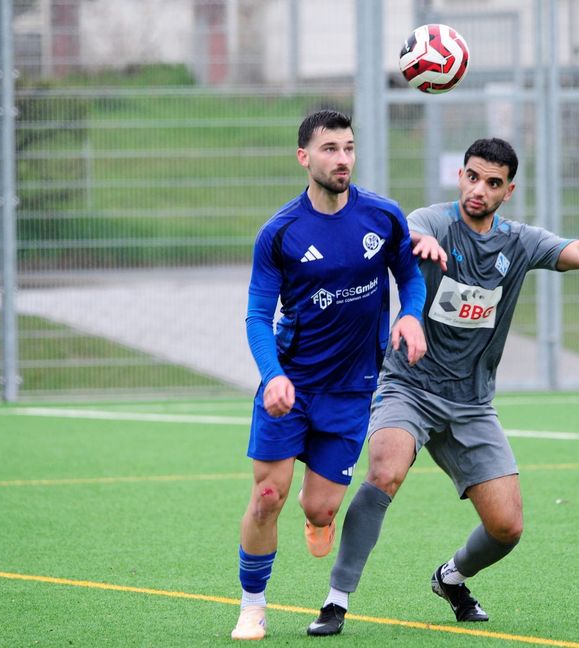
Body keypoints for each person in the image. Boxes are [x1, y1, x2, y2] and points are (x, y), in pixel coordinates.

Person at [306, 137, 579, 636]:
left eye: (493, 183)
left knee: (507, 528)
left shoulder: (519, 241)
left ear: (507, 191)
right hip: (409, 386)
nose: (479, 189)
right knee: (384, 471)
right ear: (461, 176)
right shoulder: (434, 221)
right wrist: (418, 243)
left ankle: (451, 577)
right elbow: (406, 230)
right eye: (473, 177)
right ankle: (336, 600)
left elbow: (577, 251)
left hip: (472, 403)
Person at [230, 109, 428, 641]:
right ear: (304, 157)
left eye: (348, 148)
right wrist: (272, 375)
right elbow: (256, 316)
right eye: (330, 149)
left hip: (352, 390)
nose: (343, 159)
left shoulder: (383, 216)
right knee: (266, 497)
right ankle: (252, 605)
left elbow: (410, 279)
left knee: (321, 509)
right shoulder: (280, 232)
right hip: (290, 387)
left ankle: (315, 514)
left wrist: (411, 314)